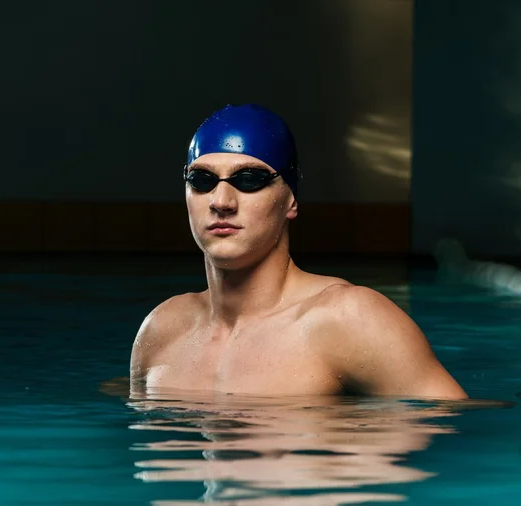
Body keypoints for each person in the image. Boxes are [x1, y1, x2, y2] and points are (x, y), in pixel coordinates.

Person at [129, 103, 468, 400]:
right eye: (202, 180)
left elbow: (454, 431)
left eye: (249, 180)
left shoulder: (350, 319)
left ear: (291, 199)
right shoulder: (162, 330)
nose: (221, 202)